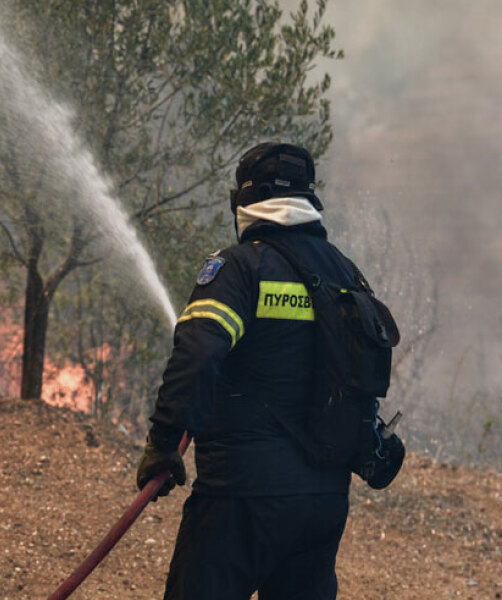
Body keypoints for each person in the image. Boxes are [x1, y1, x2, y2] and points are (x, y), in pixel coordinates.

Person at [136, 142, 373, 600]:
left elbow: (198, 355)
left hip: (239, 499)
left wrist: (164, 444)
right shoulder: (348, 276)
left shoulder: (238, 269)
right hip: (323, 503)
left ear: (244, 202)